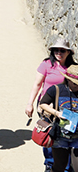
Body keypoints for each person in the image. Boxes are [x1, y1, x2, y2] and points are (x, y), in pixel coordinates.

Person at [26, 38, 75, 172]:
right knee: (49, 133)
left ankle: (65, 166)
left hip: (66, 108)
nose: (59, 53)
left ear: (68, 52)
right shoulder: (47, 64)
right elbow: (37, 85)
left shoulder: (72, 68)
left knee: (66, 134)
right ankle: (50, 163)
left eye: (62, 50)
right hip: (47, 106)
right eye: (56, 50)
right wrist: (30, 104)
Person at [39, 64, 78, 172]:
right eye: (74, 84)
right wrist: (56, 113)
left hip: (77, 136)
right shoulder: (56, 89)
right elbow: (43, 104)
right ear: (68, 80)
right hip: (60, 136)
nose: (76, 86)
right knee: (59, 167)